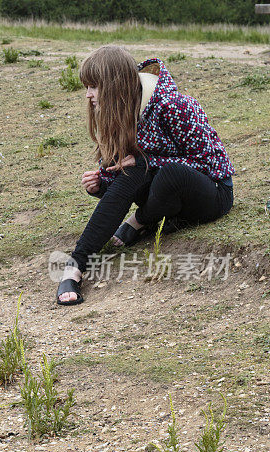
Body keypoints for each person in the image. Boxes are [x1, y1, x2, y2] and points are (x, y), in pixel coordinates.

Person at [56, 45, 234, 305]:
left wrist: (148, 160)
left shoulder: (175, 105)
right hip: (167, 199)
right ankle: (75, 266)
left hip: (213, 193)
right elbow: (129, 177)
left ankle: (139, 220)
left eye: (93, 86)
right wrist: (100, 184)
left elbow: (212, 165)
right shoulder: (124, 113)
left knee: (157, 169)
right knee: (135, 168)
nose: (88, 95)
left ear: (114, 85)